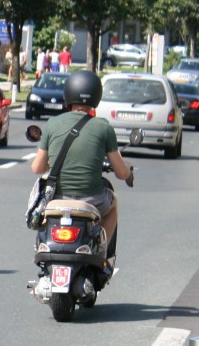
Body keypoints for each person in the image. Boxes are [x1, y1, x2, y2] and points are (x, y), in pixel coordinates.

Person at [29, 70, 132, 269]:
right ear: (96, 96)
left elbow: (37, 167)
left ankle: (43, 246)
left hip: (57, 200)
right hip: (92, 200)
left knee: (43, 212)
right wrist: (129, 173)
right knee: (114, 204)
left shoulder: (52, 124)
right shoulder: (103, 127)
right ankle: (101, 253)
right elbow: (121, 172)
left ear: (68, 95)